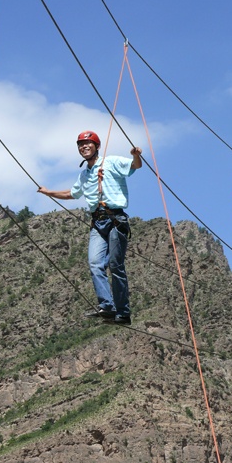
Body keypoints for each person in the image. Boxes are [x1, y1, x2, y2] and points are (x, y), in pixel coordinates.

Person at [38, 130, 142, 325]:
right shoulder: (84, 174)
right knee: (95, 263)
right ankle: (107, 307)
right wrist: (49, 193)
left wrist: (135, 154)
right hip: (97, 222)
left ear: (97, 146)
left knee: (115, 266)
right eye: (81, 144)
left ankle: (123, 312)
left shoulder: (110, 162)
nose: (84, 147)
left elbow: (135, 166)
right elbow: (72, 193)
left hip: (115, 219)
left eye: (88, 143)